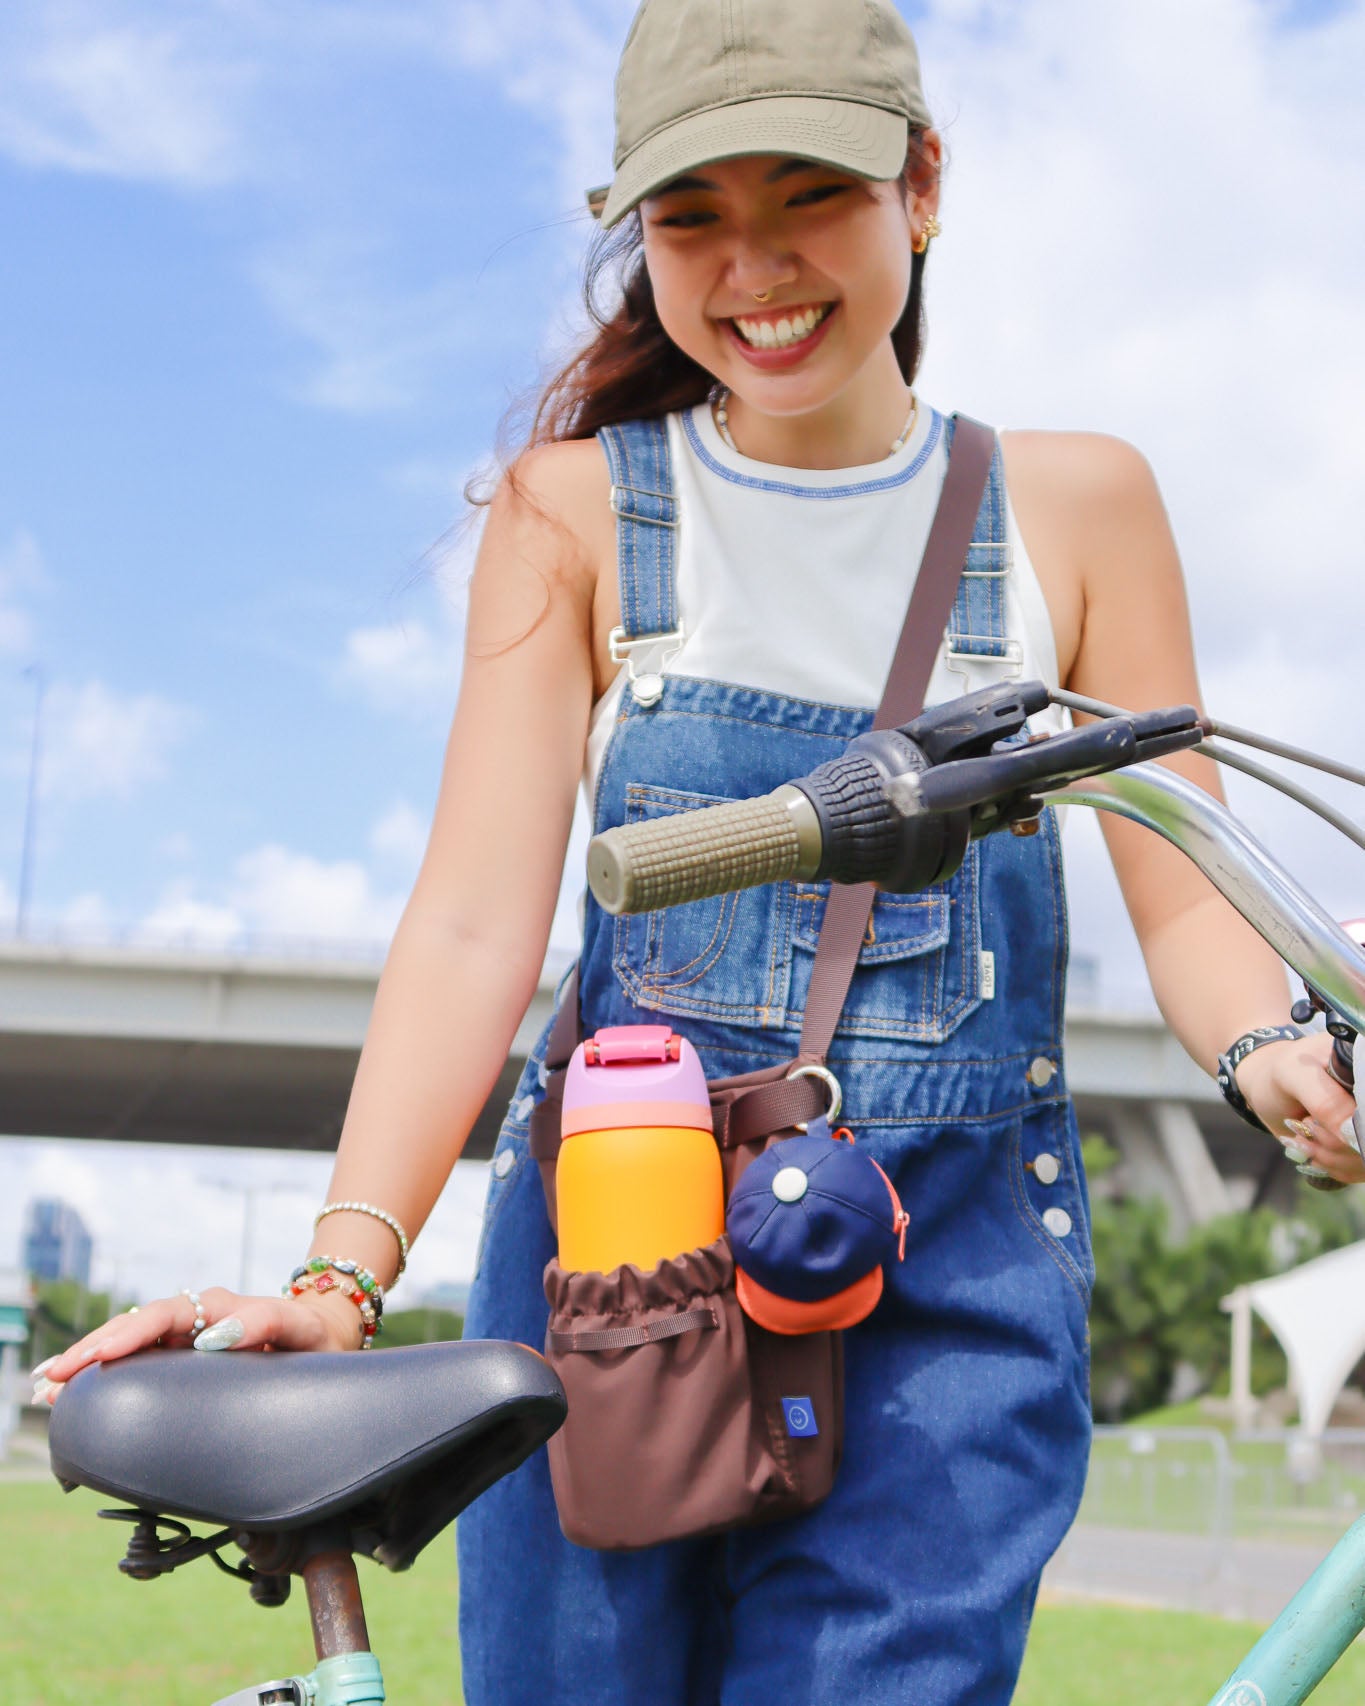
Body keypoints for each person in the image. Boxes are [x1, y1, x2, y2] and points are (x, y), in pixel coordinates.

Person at [40, 0, 1363, 1700]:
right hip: (614, 1261)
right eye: (690, 217)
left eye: (807, 191)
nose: (755, 264)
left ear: (921, 184)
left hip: (947, 1276)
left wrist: (1272, 1055)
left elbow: (1184, 882)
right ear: (640, 237)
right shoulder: (573, 512)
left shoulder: (1076, 506)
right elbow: (469, 924)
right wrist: (341, 1270)